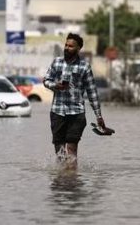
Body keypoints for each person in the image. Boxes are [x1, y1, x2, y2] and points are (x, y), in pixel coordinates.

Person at [43, 33, 107, 164]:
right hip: (57, 111)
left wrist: (98, 116)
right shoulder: (57, 62)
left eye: (71, 46)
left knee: (71, 150)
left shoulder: (84, 67)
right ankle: (61, 180)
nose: (67, 48)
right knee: (59, 151)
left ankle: (72, 181)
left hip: (76, 113)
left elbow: (92, 92)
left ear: (78, 49)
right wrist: (56, 86)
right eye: (66, 45)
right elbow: (46, 80)